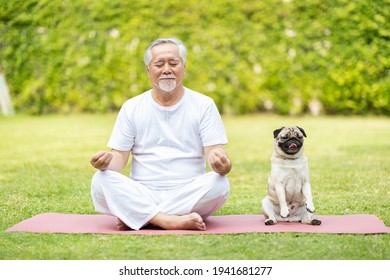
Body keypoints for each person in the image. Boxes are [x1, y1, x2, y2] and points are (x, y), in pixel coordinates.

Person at [90, 38, 232, 231]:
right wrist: (106, 162)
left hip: (188, 192)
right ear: (149, 71)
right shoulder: (132, 107)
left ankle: (141, 216)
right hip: (143, 192)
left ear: (184, 67)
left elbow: (216, 152)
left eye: (173, 63)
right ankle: (168, 220)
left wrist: (222, 164)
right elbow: (119, 158)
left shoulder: (204, 105)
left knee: (219, 183)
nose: (167, 69)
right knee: (101, 179)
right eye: (159, 64)